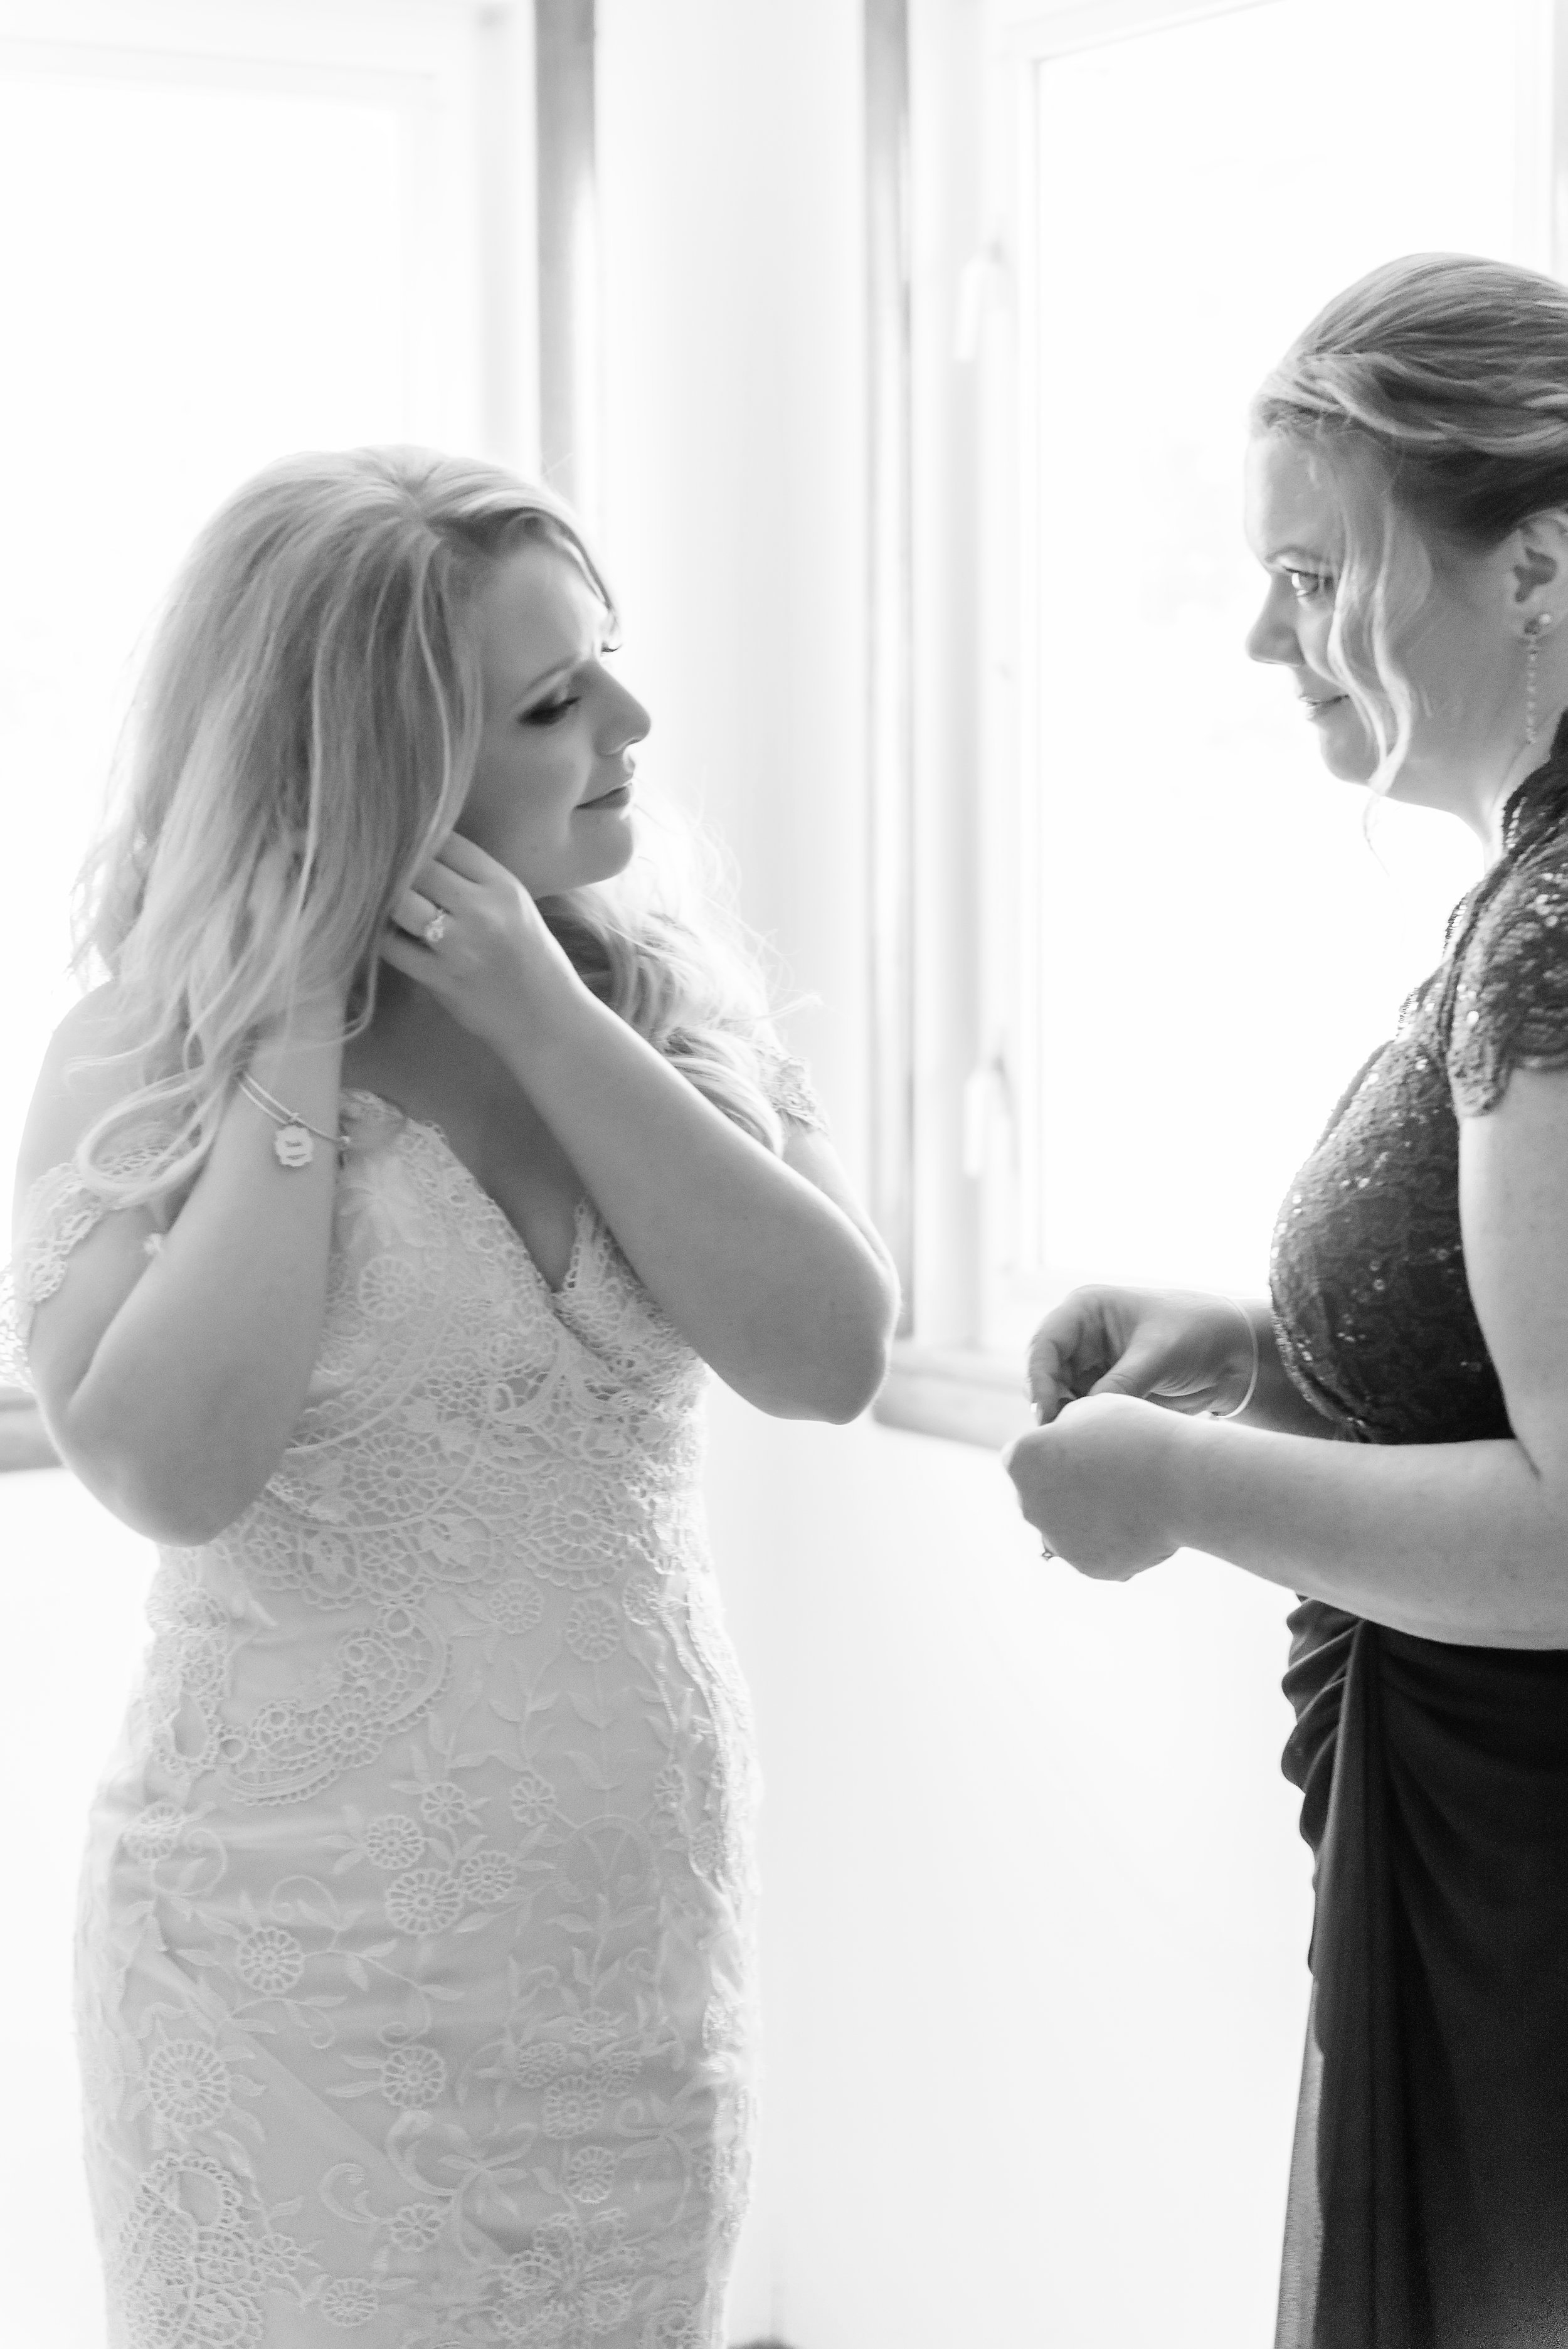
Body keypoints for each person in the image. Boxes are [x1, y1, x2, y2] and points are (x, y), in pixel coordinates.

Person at [2, 448, 898, 2348]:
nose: (633, 726)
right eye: (556, 701)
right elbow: (167, 1463)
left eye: (612, 666)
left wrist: (541, 1015)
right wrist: (294, 1031)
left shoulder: (660, 1007)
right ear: (377, 775)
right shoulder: (139, 1060)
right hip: (279, 1989)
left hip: (625, 1974)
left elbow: (825, 1355)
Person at [1004, 254, 1568, 2349]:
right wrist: (1264, 1350)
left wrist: (1180, 1478)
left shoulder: (1555, 934)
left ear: (1532, 564)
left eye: (1313, 572)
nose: (1263, 634)